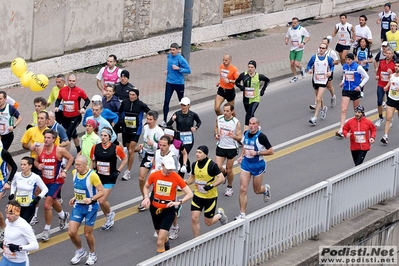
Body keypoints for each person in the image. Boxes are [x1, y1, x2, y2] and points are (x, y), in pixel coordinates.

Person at [141, 156, 193, 254]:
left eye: (171, 169)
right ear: (162, 165)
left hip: (168, 210)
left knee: (159, 241)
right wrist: (146, 197)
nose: (170, 171)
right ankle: (167, 246)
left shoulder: (176, 177)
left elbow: (190, 193)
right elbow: (146, 186)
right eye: (168, 168)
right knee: (159, 234)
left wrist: (179, 202)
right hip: (154, 208)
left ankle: (161, 260)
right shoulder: (154, 175)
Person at [34, 129, 74, 242]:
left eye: (48, 138)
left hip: (56, 181)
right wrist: (38, 166)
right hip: (44, 180)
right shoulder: (40, 149)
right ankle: (63, 215)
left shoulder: (59, 150)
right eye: (45, 137)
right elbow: (36, 162)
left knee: (47, 205)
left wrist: (65, 171)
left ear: (54, 139)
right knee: (53, 199)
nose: (46, 140)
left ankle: (46, 230)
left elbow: (71, 158)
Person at [68, 155, 105, 265]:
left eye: (78, 165)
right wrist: (75, 197)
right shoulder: (74, 173)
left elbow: (101, 191)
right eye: (75, 164)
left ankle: (92, 253)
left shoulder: (92, 176)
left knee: (87, 234)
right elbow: (79, 189)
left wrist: (92, 199)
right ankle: (80, 251)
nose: (76, 166)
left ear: (85, 165)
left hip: (90, 208)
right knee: (71, 232)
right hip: (78, 206)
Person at [185, 145, 228, 237]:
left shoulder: (212, 165)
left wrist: (212, 185)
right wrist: (184, 183)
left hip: (210, 197)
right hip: (197, 196)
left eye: (200, 152)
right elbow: (192, 177)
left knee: (208, 222)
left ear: (206, 154)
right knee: (194, 219)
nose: (197, 154)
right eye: (196, 152)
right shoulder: (194, 164)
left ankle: (220, 215)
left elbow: (221, 178)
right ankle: (197, 242)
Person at [236, 117, 273, 220]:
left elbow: (271, 151)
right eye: (250, 123)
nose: (251, 126)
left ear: (257, 125)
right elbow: (245, 145)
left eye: (253, 124)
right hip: (246, 164)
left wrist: (257, 153)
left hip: (258, 165)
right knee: (243, 189)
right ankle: (242, 214)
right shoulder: (246, 133)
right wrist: (241, 156)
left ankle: (265, 189)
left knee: (257, 190)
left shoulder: (261, 137)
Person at [90, 127, 127, 230]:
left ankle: (109, 215)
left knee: (101, 200)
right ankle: (109, 216)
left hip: (110, 177)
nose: (103, 137)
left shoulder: (116, 148)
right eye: (101, 135)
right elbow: (92, 160)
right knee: (101, 200)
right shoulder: (95, 147)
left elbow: (124, 159)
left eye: (105, 136)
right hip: (99, 177)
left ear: (110, 137)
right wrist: (90, 172)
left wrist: (118, 170)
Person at [119, 88, 150, 181]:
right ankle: (140, 150)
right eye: (130, 95)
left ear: (137, 96)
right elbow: (120, 112)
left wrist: (147, 122)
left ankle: (127, 172)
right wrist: (121, 121)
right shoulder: (124, 102)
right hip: (126, 130)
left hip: (136, 130)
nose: (131, 97)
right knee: (129, 149)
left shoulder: (141, 105)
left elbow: (150, 113)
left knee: (130, 151)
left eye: (133, 95)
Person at [336, 53, 370, 137]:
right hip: (346, 90)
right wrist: (343, 82)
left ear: (353, 59)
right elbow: (345, 75)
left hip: (355, 90)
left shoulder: (358, 67)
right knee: (343, 109)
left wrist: (360, 86)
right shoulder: (344, 66)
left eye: (349, 60)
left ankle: (362, 123)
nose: (347, 61)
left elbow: (366, 77)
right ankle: (342, 129)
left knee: (356, 110)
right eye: (346, 60)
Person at [55, 74, 91, 153]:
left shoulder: (79, 91)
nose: (71, 82)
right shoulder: (62, 90)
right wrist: (56, 106)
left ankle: (65, 157)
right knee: (73, 134)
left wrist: (83, 108)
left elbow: (87, 100)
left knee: (67, 135)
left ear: (76, 81)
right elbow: (58, 100)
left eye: (73, 81)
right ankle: (79, 150)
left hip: (76, 117)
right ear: (67, 81)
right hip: (65, 117)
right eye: (70, 81)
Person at [137, 110, 164, 211]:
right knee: (141, 178)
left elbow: (164, 146)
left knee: (157, 180)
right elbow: (145, 140)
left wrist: (154, 144)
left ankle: (158, 198)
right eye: (147, 119)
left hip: (157, 156)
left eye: (150, 119)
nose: (148, 121)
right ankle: (145, 198)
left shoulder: (159, 132)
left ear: (155, 120)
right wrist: (143, 146)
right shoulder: (145, 127)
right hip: (147, 155)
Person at [166, 97, 201, 173]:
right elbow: (168, 125)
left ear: (189, 105)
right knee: (181, 155)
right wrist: (172, 119)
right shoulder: (177, 114)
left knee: (184, 155)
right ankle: (187, 167)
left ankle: (183, 170)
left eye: (184, 105)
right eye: (182, 105)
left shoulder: (193, 114)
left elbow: (199, 122)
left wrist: (195, 127)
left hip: (188, 137)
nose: (183, 107)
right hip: (179, 136)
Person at [214, 103, 242, 197]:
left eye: (227, 111)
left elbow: (240, 137)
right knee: (217, 167)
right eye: (224, 110)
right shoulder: (219, 118)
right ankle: (224, 174)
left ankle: (229, 187)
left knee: (229, 170)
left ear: (232, 111)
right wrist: (216, 134)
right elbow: (216, 127)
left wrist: (234, 136)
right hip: (221, 146)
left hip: (231, 148)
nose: (225, 113)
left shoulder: (236, 122)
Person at [9, 157, 48, 223]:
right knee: (16, 223)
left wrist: (38, 197)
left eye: (24, 165)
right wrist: (12, 193)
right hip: (18, 205)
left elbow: (45, 189)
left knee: (23, 223)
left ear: (30, 166)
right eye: (21, 164)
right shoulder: (17, 175)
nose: (22, 166)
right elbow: (13, 184)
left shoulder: (35, 177)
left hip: (29, 205)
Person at [0, 200, 39, 266]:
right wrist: (3, 243)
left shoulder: (24, 226)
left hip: (19, 262)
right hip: (5, 259)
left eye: (10, 213)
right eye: (6, 213)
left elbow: (35, 245)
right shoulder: (7, 221)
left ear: (17, 213)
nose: (7, 216)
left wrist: (18, 248)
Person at [235, 60, 270, 130]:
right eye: (249, 67)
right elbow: (236, 82)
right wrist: (241, 87)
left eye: (252, 67)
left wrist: (263, 90)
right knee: (251, 115)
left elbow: (267, 80)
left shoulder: (259, 76)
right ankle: (256, 127)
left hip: (255, 99)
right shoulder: (243, 75)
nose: (250, 69)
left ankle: (245, 134)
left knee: (248, 116)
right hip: (246, 99)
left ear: (255, 68)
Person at [162, 43, 191, 126]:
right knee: (166, 101)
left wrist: (179, 68)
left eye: (174, 50)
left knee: (182, 102)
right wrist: (167, 71)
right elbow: (169, 66)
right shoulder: (169, 57)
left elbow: (188, 70)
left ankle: (186, 118)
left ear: (178, 50)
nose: (172, 51)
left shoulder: (180, 59)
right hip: (169, 82)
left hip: (179, 83)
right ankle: (164, 120)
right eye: (171, 50)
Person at [306, 42, 335, 125]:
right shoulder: (314, 57)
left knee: (318, 98)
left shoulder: (328, 58)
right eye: (320, 48)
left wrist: (330, 71)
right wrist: (309, 70)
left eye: (323, 48)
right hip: (315, 80)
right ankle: (323, 108)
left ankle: (314, 118)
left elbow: (332, 66)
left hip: (323, 80)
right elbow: (308, 65)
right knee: (319, 97)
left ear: (326, 49)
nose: (321, 49)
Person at [310, 37, 340, 109]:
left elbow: (337, 61)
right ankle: (317, 103)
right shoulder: (319, 50)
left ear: (328, 44)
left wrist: (328, 63)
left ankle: (333, 96)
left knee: (328, 87)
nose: (323, 45)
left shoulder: (331, 52)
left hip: (328, 72)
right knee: (318, 87)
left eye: (325, 43)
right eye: (322, 43)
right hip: (319, 72)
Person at [285, 17, 310, 83]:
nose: (293, 24)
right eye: (292, 23)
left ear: (298, 23)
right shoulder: (289, 29)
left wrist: (303, 42)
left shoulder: (302, 29)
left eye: (295, 23)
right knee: (292, 63)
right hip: (292, 49)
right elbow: (287, 36)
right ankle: (295, 77)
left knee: (296, 63)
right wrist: (286, 41)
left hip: (299, 49)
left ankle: (302, 69)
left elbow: (308, 37)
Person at [375, 47, 395, 128]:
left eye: (390, 53)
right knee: (379, 101)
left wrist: (392, 73)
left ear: (392, 55)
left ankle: (390, 119)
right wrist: (377, 76)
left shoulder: (394, 64)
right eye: (387, 53)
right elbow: (379, 71)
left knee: (389, 104)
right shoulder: (381, 62)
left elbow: (397, 75)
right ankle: (380, 118)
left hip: (390, 86)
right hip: (381, 84)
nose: (388, 55)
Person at [381, 61, 399, 144]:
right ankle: (385, 136)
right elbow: (390, 82)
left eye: (398, 66)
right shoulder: (392, 76)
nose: (396, 67)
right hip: (391, 99)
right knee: (388, 118)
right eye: (396, 66)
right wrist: (386, 86)